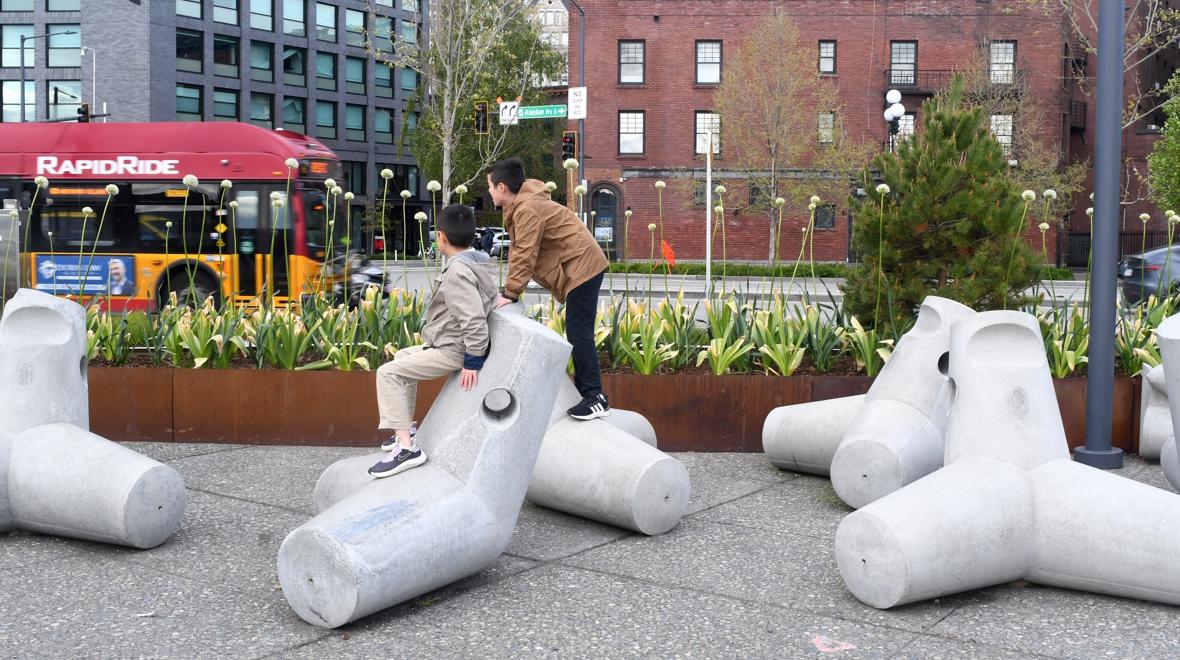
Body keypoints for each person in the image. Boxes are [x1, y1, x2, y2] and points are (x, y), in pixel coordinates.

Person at [369, 204, 498, 478]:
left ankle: (407, 449)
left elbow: (473, 320)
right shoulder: (474, 262)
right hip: (448, 343)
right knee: (402, 357)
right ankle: (407, 428)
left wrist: (472, 361)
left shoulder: (457, 273)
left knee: (387, 373)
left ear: (440, 237)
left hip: (453, 350)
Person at [487, 157, 610, 420]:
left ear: (501, 188)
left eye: (489, 186)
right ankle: (586, 393)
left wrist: (511, 292)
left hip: (582, 267)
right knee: (577, 331)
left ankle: (595, 397)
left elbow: (525, 252)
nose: (488, 192)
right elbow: (522, 252)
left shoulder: (527, 208)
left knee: (579, 333)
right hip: (579, 265)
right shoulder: (522, 206)